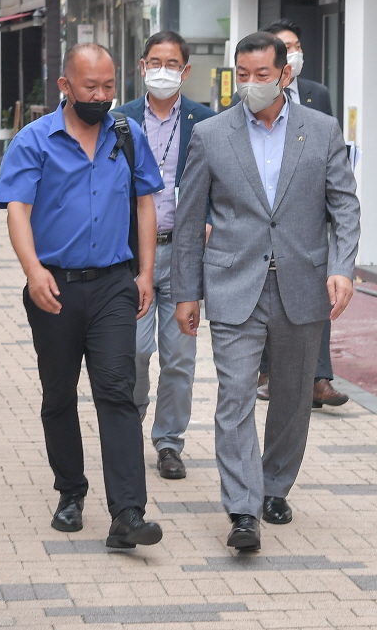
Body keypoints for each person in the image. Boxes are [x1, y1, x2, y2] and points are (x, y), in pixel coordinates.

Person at [173, 31, 361, 552]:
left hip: (302, 283)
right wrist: (186, 292)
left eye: (261, 74)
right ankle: (242, 509)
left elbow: (344, 206)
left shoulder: (320, 130)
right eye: (243, 75)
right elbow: (189, 221)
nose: (251, 83)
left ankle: (275, 486)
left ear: (284, 74)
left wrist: (342, 267)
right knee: (234, 395)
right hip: (234, 283)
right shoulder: (211, 134)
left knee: (293, 396)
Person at [0, 43, 166, 550]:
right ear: (65, 86)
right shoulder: (34, 140)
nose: (101, 96)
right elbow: (18, 209)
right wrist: (32, 271)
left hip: (113, 284)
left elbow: (146, 203)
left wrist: (145, 273)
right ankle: (70, 491)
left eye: (109, 86)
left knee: (117, 390)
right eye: (90, 87)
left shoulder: (126, 136)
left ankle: (128, 512)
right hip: (55, 287)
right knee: (59, 394)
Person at [115, 31, 216, 481]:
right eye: (155, 62)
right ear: (142, 66)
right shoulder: (119, 121)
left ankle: (170, 441)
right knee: (134, 350)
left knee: (179, 357)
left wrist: (210, 219)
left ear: (185, 70)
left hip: (183, 253)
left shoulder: (206, 122)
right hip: (132, 254)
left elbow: (222, 182)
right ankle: (130, 422)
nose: (162, 71)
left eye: (172, 63)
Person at [255, 19, 348, 408]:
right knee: (268, 297)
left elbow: (331, 149)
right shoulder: (251, 96)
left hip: (308, 217)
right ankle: (268, 371)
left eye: (296, 45)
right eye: (285, 46)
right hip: (267, 218)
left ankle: (318, 378)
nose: (292, 52)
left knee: (316, 296)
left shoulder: (316, 95)